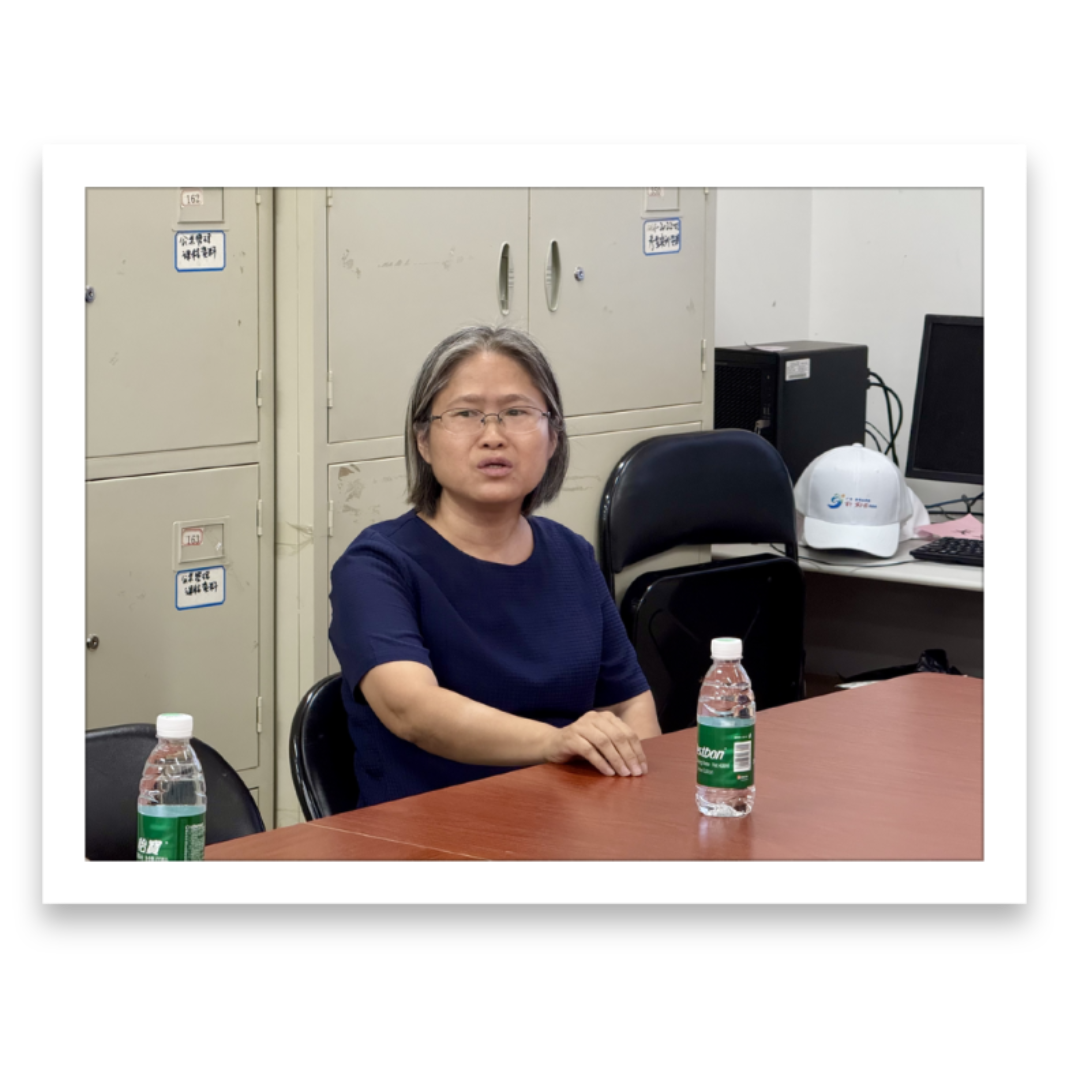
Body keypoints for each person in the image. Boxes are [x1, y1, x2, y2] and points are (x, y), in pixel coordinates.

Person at [328, 326, 660, 808]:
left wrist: (640, 800)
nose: (493, 436)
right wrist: (554, 742)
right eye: (465, 414)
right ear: (423, 441)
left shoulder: (571, 554)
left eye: (517, 412)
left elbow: (628, 702)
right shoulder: (376, 566)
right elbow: (413, 710)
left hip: (568, 822)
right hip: (429, 832)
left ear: (553, 438)